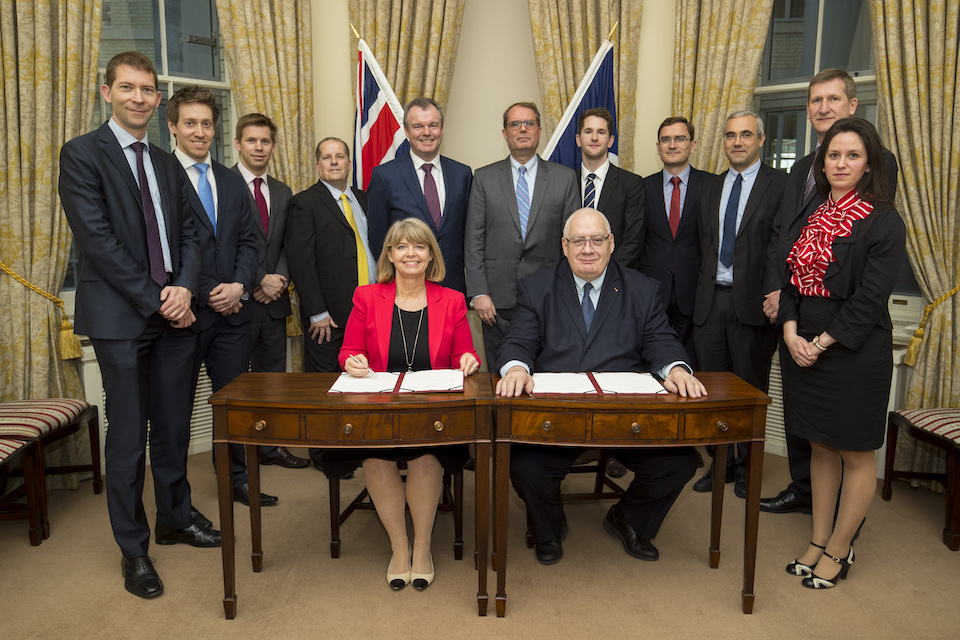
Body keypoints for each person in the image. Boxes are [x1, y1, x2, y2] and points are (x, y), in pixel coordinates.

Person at [58, 51, 206, 598]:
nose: (139, 97)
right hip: (121, 318)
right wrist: (159, 299)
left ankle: (175, 517)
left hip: (175, 315)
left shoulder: (168, 163)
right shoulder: (80, 155)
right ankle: (134, 549)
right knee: (127, 438)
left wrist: (185, 289)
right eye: (128, 88)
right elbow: (97, 242)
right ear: (107, 93)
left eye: (147, 89)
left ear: (157, 98)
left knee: (172, 428)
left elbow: (192, 234)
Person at [496, 208, 704, 565]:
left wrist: (677, 367)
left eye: (596, 240)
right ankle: (549, 527)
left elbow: (661, 341)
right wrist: (515, 368)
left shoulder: (641, 289)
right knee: (524, 466)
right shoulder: (537, 287)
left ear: (611, 244)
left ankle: (629, 519)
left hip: (623, 416)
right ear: (564, 246)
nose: (587, 249)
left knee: (679, 463)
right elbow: (518, 341)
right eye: (578, 240)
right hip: (559, 416)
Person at [760, 69, 900, 515]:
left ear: (852, 106)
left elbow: (863, 255)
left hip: (844, 331)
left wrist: (817, 334)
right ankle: (807, 496)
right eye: (816, 100)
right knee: (812, 433)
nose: (823, 108)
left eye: (833, 99)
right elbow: (784, 235)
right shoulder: (802, 166)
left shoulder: (878, 169)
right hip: (799, 310)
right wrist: (782, 300)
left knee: (846, 444)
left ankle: (843, 526)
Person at [778, 117, 904, 589]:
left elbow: (869, 300)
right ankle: (817, 537)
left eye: (852, 155)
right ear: (821, 160)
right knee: (819, 446)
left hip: (852, 349)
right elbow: (788, 276)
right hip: (801, 342)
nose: (841, 163)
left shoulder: (883, 219)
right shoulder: (808, 212)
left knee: (853, 453)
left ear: (869, 164)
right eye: (834, 154)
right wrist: (791, 333)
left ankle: (840, 546)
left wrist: (820, 342)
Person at [333, 218, 480, 591]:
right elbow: (349, 350)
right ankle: (400, 548)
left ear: (431, 254)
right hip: (381, 405)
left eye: (418, 246)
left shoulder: (452, 300)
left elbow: (465, 351)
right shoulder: (367, 296)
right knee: (375, 457)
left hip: (432, 410)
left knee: (426, 456)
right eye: (401, 246)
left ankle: (423, 549)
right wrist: (351, 361)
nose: (410, 253)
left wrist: (467, 360)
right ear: (390, 255)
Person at [167, 86, 277, 508]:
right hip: (183, 318)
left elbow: (249, 242)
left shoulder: (232, 180)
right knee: (174, 415)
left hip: (233, 315)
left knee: (234, 408)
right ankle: (177, 505)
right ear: (173, 126)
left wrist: (237, 286)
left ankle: (236, 480)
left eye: (206, 124)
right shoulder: (162, 175)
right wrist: (202, 293)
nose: (199, 132)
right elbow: (163, 248)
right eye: (190, 123)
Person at [692, 111, 787, 497]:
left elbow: (783, 245)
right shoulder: (710, 187)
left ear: (761, 140)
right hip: (711, 301)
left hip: (754, 305)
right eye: (730, 135)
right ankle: (722, 464)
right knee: (713, 390)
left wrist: (778, 291)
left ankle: (750, 466)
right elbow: (703, 243)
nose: (737, 142)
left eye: (746, 135)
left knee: (750, 391)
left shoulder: (779, 185)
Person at [465, 101, 580, 361]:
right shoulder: (484, 178)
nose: (523, 129)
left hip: (550, 296)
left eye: (529, 123)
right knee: (500, 376)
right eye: (515, 124)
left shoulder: (564, 178)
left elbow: (573, 241)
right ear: (505, 133)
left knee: (546, 376)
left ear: (539, 131)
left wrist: (567, 295)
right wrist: (479, 292)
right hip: (496, 301)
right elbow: (473, 239)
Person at [285, 137, 372, 471]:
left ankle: (359, 446)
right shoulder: (304, 203)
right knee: (327, 385)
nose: (334, 162)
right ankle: (326, 455)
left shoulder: (365, 199)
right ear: (318, 165)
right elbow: (301, 262)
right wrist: (317, 312)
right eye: (327, 157)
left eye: (340, 156)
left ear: (349, 163)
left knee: (363, 382)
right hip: (329, 316)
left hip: (369, 310)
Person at [231, 113, 310, 469]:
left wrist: (277, 281)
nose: (258, 147)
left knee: (274, 381)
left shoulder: (282, 191)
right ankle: (238, 456)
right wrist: (257, 279)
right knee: (237, 384)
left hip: (274, 304)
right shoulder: (224, 184)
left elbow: (288, 245)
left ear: (273, 147)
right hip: (238, 303)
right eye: (251, 140)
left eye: (265, 141)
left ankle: (271, 447)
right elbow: (224, 244)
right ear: (238, 144)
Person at [367, 97, 472, 294]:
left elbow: (467, 233)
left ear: (442, 129)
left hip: (452, 285)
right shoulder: (384, 176)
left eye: (433, 125)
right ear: (406, 131)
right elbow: (378, 238)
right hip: (405, 287)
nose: (426, 132)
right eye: (418, 126)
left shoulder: (463, 174)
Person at [637, 116, 714, 368]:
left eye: (679, 138)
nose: (672, 145)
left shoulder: (713, 186)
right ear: (658, 147)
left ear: (692, 145)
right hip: (652, 290)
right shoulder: (640, 187)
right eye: (666, 139)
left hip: (695, 292)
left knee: (692, 365)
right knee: (650, 362)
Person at [575, 107, 644, 267]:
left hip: (616, 276)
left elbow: (633, 240)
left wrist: (604, 270)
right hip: (573, 276)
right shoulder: (566, 182)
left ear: (610, 140)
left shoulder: (631, 184)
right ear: (578, 140)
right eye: (588, 132)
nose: (594, 138)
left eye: (601, 132)